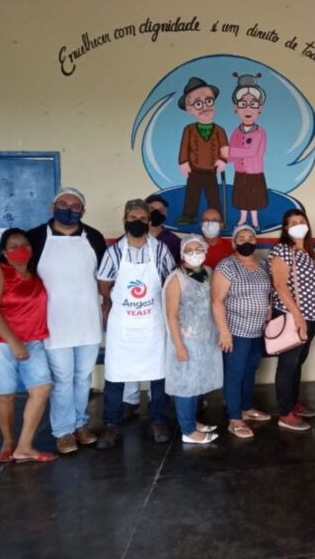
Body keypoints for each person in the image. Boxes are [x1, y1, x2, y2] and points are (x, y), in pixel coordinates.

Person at [0, 186, 106, 455]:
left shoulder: (94, 237)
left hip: (87, 318)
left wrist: (108, 304)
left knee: (83, 377)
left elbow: (106, 272)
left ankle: (80, 424)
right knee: (62, 378)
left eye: (75, 205)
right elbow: (11, 259)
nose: (68, 208)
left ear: (83, 210)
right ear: (51, 206)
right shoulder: (35, 237)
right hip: (53, 323)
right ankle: (63, 431)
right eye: (62, 203)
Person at [96, 199, 177, 449]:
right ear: (124, 220)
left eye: (142, 218)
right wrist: (111, 304)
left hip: (153, 323)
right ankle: (111, 424)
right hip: (124, 326)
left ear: (149, 220)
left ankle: (158, 420)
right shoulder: (114, 252)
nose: (138, 222)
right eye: (133, 218)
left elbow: (170, 280)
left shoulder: (160, 250)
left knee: (158, 374)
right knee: (115, 376)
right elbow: (104, 283)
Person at [0, 228, 56, 464]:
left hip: (33, 339)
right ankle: (8, 441)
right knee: (6, 395)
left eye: (24, 244)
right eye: (13, 246)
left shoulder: (35, 272)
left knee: (41, 389)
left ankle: (24, 446)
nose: (20, 249)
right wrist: (14, 342)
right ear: (4, 252)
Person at [122, 193, 183, 417]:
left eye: (161, 210)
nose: (156, 213)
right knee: (129, 354)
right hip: (131, 310)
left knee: (160, 354)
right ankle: (130, 399)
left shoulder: (172, 241)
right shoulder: (123, 243)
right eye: (152, 209)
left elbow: (178, 273)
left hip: (160, 308)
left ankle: (161, 402)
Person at [211, 225, 273, 439]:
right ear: (234, 242)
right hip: (236, 330)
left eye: (251, 237)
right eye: (241, 238)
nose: (247, 241)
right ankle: (234, 417)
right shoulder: (227, 266)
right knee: (235, 373)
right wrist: (224, 332)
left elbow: (269, 294)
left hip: (258, 331)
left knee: (250, 370)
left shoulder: (263, 264)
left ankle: (247, 408)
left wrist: (268, 316)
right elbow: (216, 300)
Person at [164, 234, 224, 444]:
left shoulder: (208, 272)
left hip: (205, 338)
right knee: (185, 385)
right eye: (189, 250)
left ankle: (192, 420)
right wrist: (179, 345)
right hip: (185, 339)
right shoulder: (176, 278)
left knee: (197, 382)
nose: (195, 253)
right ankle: (188, 430)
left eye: (199, 248)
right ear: (182, 253)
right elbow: (171, 314)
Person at [268, 208, 315, 431]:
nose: (299, 225)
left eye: (302, 221)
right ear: (285, 228)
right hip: (293, 317)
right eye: (293, 222)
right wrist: (298, 316)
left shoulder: (310, 253)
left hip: (310, 317)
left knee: (297, 363)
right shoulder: (282, 250)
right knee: (287, 364)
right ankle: (285, 413)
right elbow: (280, 286)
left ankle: (293, 403)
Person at [176, 77, 229, 225]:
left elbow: (225, 148)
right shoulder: (189, 129)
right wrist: (183, 162)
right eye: (198, 104)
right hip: (194, 169)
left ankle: (218, 217)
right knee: (192, 193)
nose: (205, 107)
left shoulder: (219, 130)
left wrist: (223, 160)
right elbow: (184, 147)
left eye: (209, 101)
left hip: (211, 170)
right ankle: (188, 214)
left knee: (213, 195)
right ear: (190, 109)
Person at [227, 73, 269, 229]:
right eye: (243, 104)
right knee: (242, 198)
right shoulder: (236, 131)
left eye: (253, 104)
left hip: (254, 173)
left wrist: (229, 150)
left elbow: (251, 151)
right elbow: (230, 154)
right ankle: (242, 219)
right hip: (240, 172)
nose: (248, 109)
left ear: (260, 109)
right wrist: (223, 159)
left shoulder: (260, 132)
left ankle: (255, 221)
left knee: (253, 199)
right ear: (236, 108)